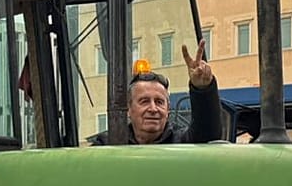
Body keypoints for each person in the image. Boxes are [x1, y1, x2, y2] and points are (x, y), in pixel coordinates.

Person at [93, 41, 221, 145]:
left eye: (159, 102)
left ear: (168, 110)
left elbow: (208, 135)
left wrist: (203, 89)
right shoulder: (107, 145)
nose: (153, 109)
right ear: (129, 109)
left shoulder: (182, 143)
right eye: (144, 101)